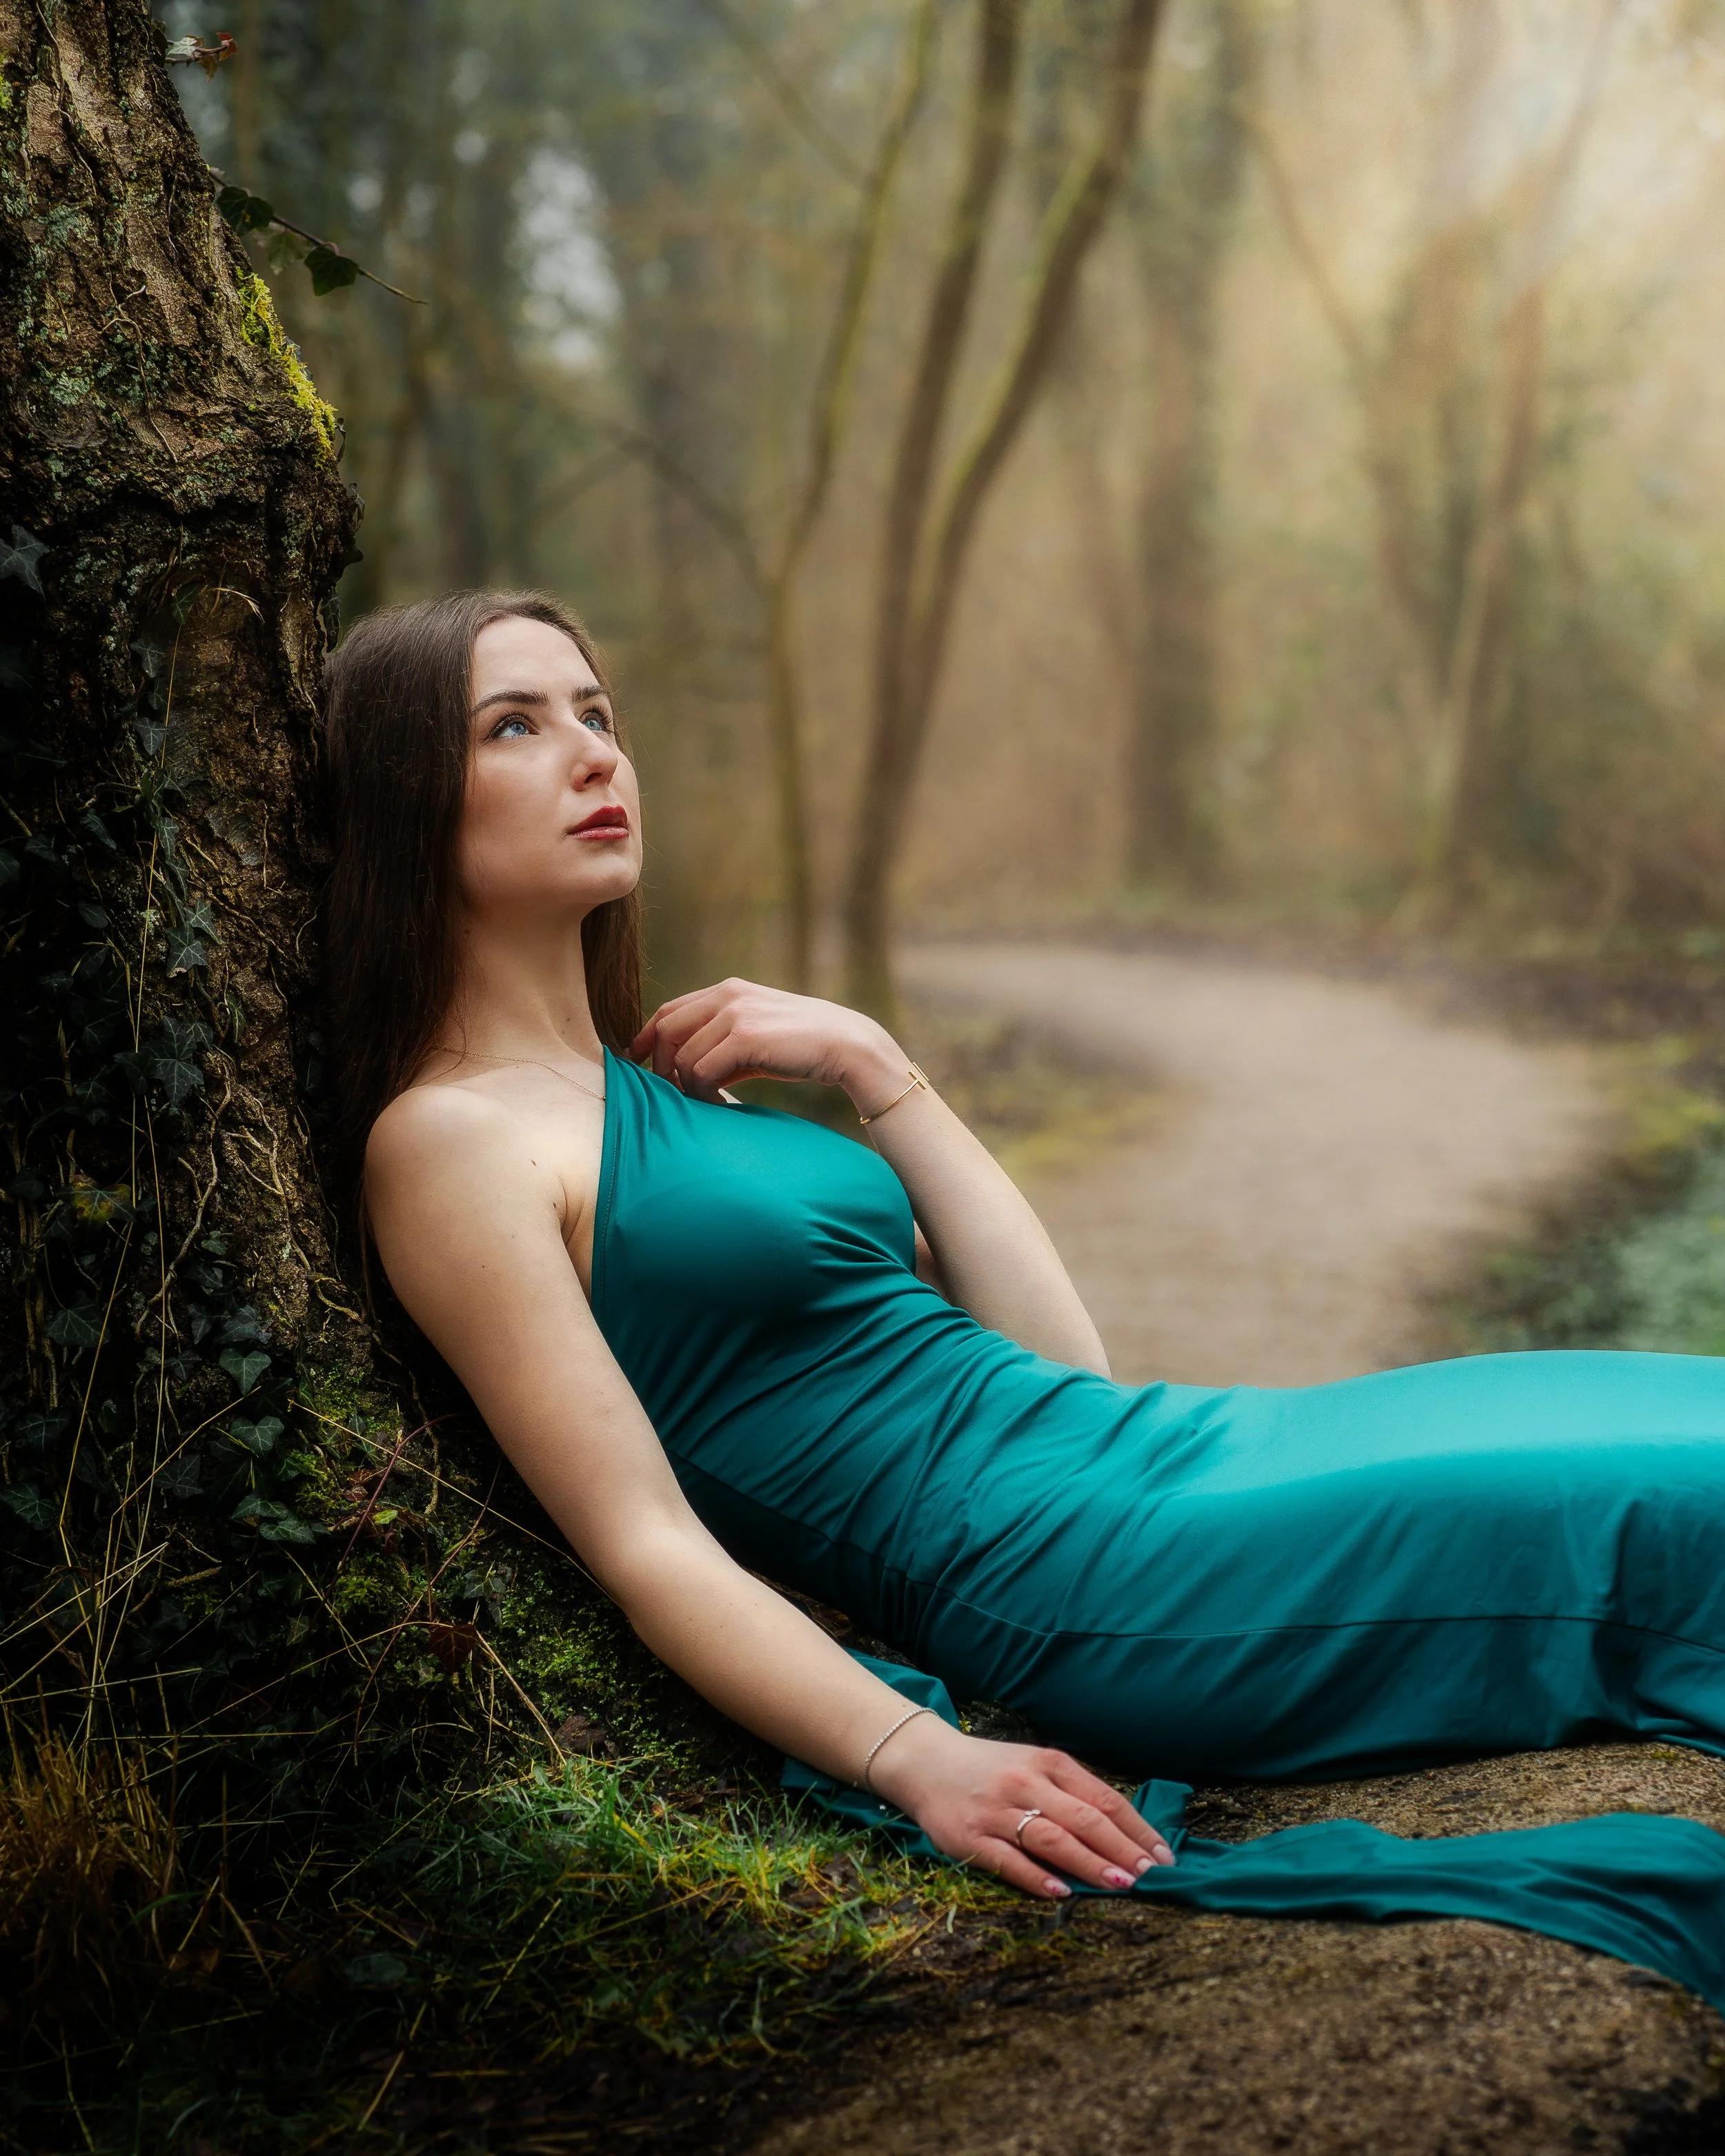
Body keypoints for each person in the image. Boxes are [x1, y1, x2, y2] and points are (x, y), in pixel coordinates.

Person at [322, 589, 1725, 1916]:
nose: (588, 754)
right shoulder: (448, 1144)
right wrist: (912, 1753)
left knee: (1689, 1409)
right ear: (403, 796)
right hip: (1105, 1582)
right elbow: (643, 1539)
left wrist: (876, 1064)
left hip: (1168, 1453)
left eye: (596, 711)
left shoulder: (665, 1090)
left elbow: (1061, 1369)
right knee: (1666, 1503)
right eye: (514, 724)